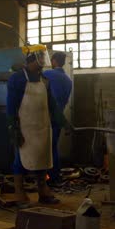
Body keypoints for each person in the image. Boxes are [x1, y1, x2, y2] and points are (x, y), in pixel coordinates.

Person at [7, 44, 67, 204]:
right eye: (39, 56)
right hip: (25, 128)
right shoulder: (17, 78)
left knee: (43, 158)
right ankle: (20, 194)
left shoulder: (44, 79)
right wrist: (13, 127)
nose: (42, 60)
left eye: (43, 56)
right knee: (21, 160)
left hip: (42, 127)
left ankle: (43, 191)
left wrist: (64, 122)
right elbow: (11, 105)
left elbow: (52, 104)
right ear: (31, 59)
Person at [43, 52, 73, 184]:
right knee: (53, 146)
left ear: (53, 61)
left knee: (44, 147)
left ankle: (45, 177)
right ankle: (54, 175)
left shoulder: (47, 74)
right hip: (59, 117)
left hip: (46, 117)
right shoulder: (68, 80)